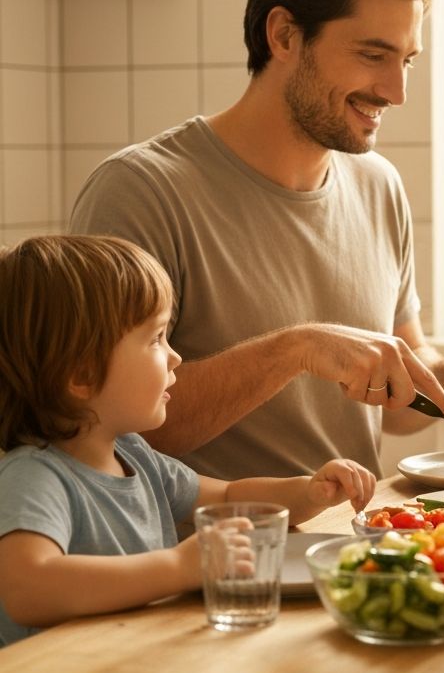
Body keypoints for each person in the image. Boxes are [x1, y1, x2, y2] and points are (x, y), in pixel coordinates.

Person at [70, 0, 444, 481]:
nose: (396, 92)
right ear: (284, 34)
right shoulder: (142, 191)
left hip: (357, 533)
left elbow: (398, 399)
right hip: (213, 538)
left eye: (406, 60)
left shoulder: (378, 186)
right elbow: (104, 424)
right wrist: (295, 351)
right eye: (373, 55)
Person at [0, 235, 377, 646]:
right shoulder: (33, 477)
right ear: (82, 375)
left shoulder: (133, 455)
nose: (175, 357)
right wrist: (177, 567)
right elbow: (27, 589)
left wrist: (308, 492)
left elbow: (230, 497)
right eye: (155, 339)